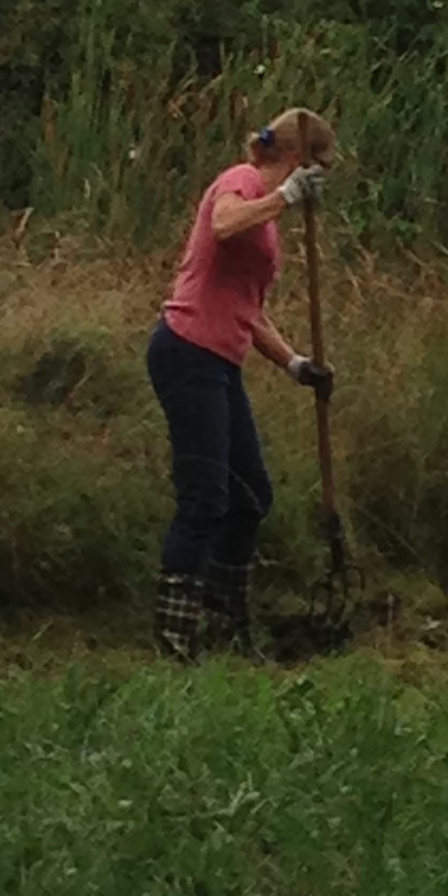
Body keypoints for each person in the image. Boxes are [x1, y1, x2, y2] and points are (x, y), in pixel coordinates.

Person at [145, 105, 338, 662]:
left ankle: (226, 624)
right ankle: (176, 639)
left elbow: (246, 309)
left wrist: (295, 364)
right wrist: (285, 198)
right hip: (186, 352)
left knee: (250, 498)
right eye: (319, 173)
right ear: (301, 161)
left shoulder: (267, 214)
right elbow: (224, 223)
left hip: (219, 361)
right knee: (205, 497)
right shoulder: (243, 181)